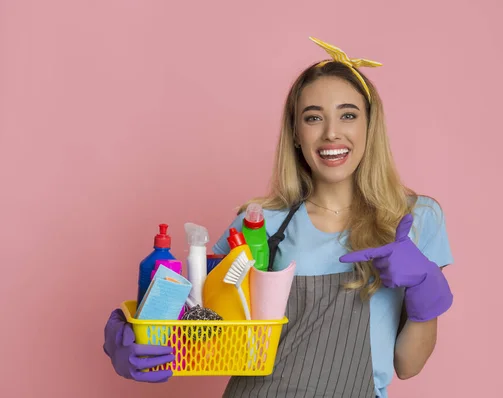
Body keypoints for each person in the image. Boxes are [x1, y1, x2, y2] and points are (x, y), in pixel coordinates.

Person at [103, 37, 454, 398]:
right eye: (313, 118)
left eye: (348, 115)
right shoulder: (261, 224)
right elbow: (198, 320)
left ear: (370, 125)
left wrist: (426, 285)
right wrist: (122, 335)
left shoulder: (414, 219)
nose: (331, 132)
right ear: (297, 135)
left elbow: (408, 365)